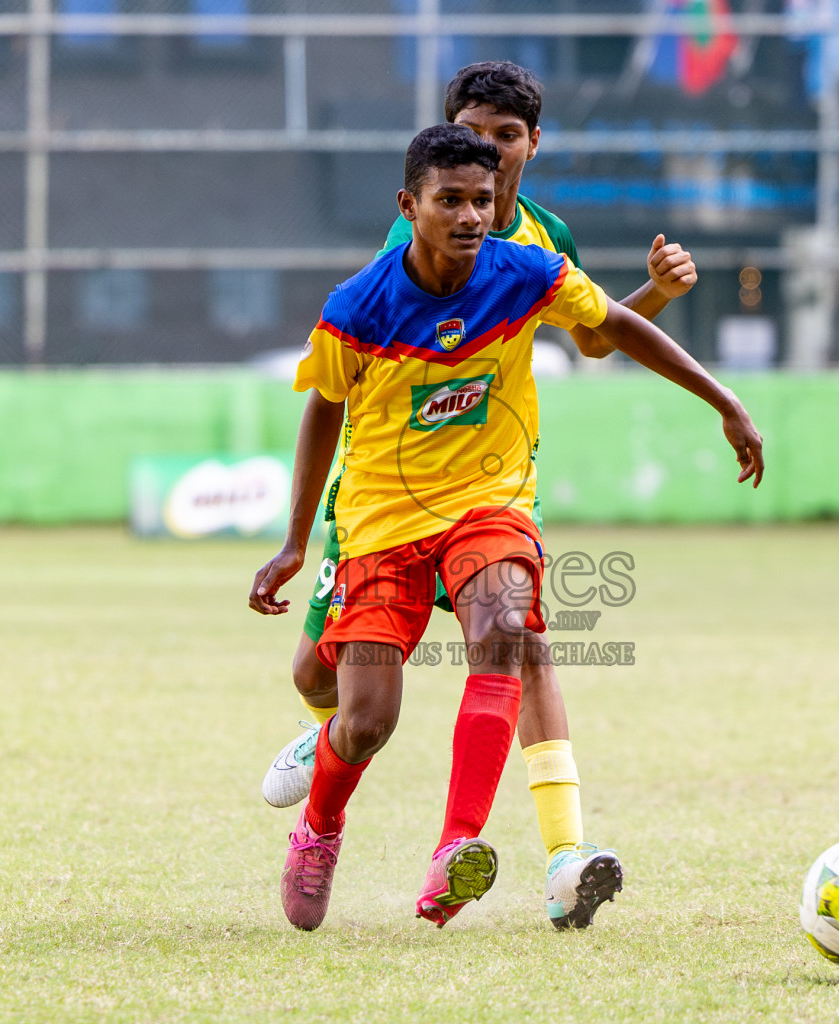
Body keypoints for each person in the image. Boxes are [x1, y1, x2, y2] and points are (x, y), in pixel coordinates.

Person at [248, 124, 763, 931]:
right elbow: (323, 409)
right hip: (382, 523)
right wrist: (293, 542)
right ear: (408, 206)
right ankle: (318, 830)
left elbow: (611, 330)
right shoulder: (359, 304)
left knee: (508, 627)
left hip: (489, 506)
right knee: (365, 719)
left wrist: (723, 400)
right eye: (449, 200)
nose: (468, 216)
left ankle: (456, 847)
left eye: (481, 201)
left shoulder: (527, 271)